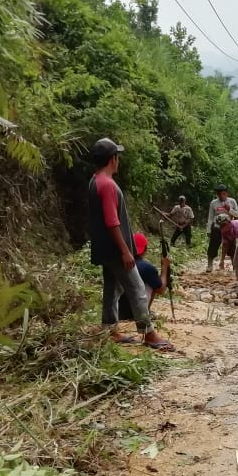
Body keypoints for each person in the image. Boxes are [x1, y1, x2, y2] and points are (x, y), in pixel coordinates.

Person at [87, 138, 174, 351]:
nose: (118, 160)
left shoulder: (94, 180)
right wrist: (126, 251)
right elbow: (112, 221)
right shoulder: (107, 185)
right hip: (116, 248)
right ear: (112, 159)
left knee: (112, 286)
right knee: (136, 287)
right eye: (117, 156)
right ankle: (148, 333)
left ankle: (110, 328)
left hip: (104, 248)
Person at [117, 233, 170, 319]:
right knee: (154, 284)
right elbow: (161, 290)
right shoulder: (147, 268)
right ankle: (144, 314)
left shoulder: (118, 263)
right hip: (134, 313)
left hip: (117, 312)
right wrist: (164, 268)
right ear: (145, 249)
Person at [206, 184, 238, 272]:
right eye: (220, 194)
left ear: (227, 193)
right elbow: (210, 217)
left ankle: (234, 264)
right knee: (213, 245)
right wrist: (209, 229)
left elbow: (237, 214)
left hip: (229, 227)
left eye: (224, 194)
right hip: (217, 227)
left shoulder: (232, 201)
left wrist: (229, 209)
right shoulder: (213, 203)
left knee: (231, 246)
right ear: (217, 195)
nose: (222, 196)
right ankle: (210, 265)